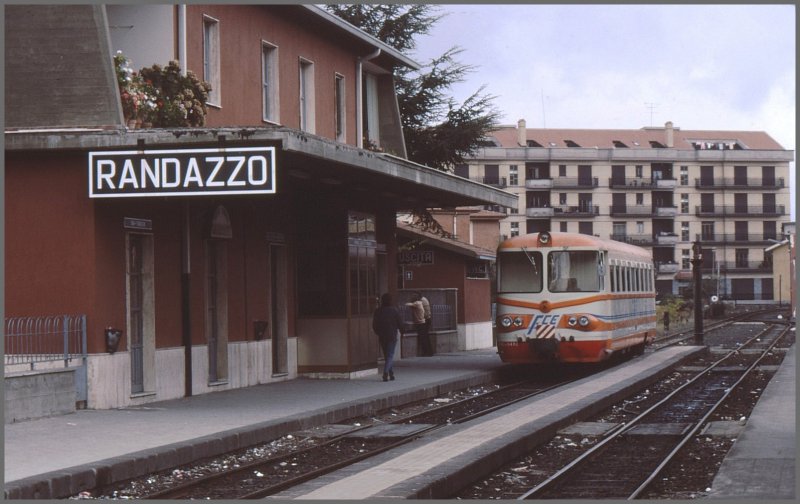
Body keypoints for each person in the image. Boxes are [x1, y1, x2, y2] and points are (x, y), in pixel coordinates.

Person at [372, 293, 403, 382]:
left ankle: (391, 373)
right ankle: (385, 373)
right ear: (390, 301)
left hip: (382, 336)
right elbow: (400, 323)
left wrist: (378, 332)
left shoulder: (378, 311)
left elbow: (374, 325)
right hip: (392, 335)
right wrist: (402, 331)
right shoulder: (394, 311)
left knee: (387, 355)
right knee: (390, 355)